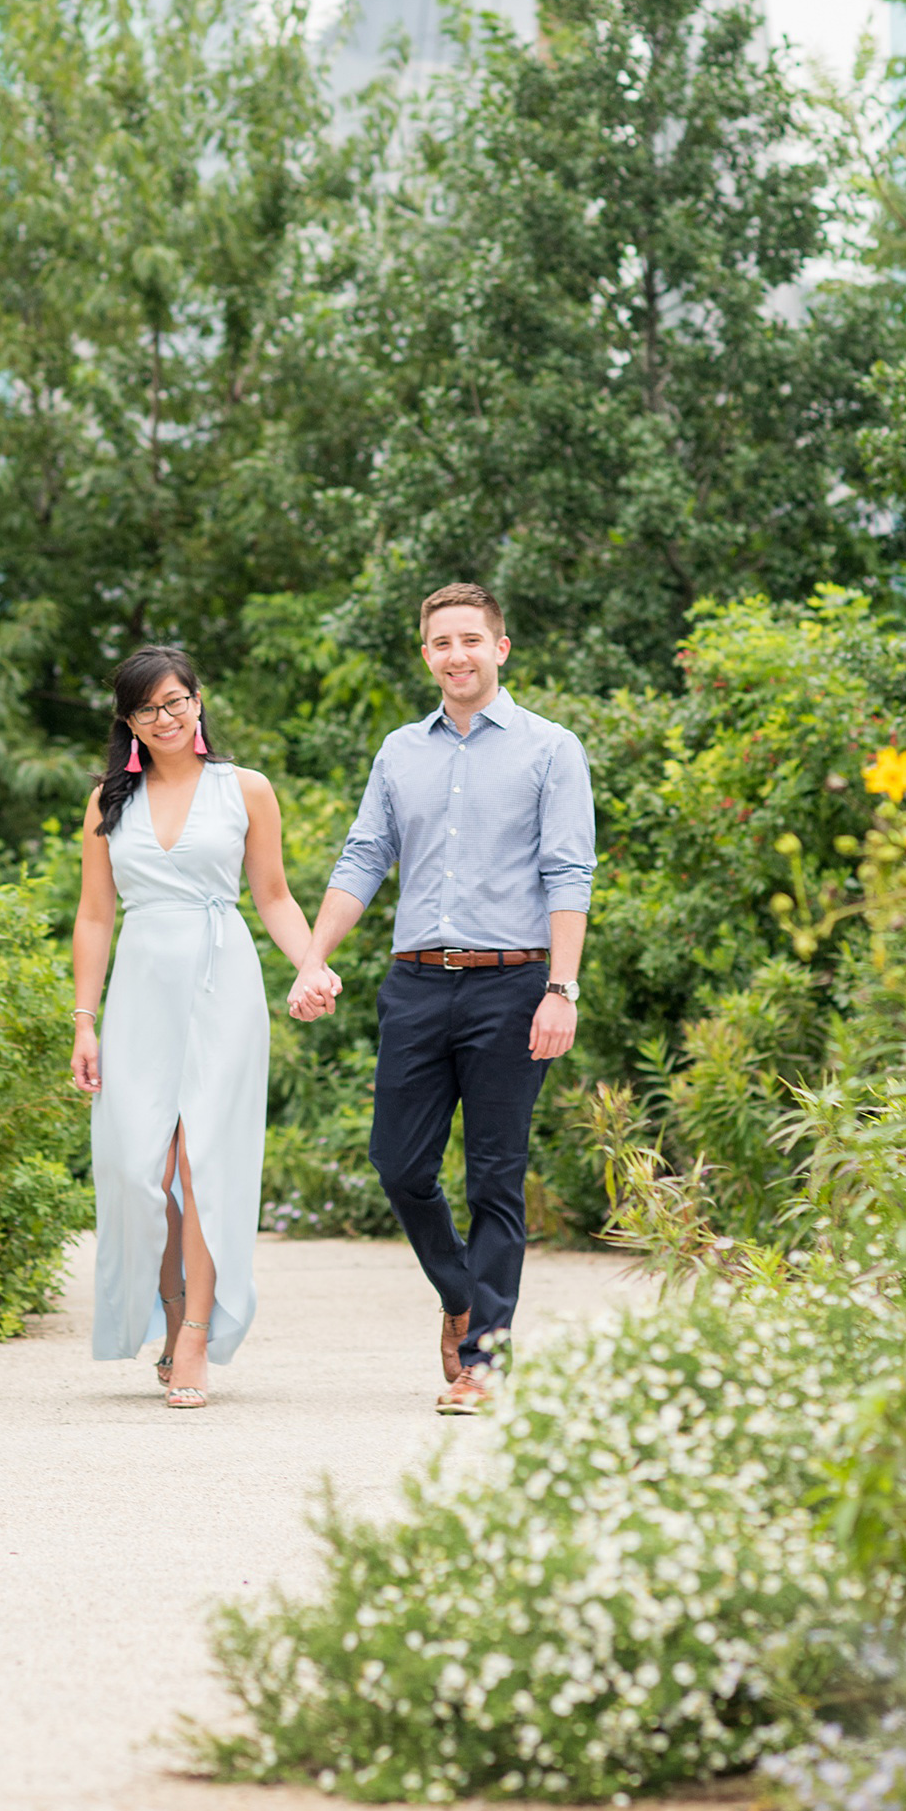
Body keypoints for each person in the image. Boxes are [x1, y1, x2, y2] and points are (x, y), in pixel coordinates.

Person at [287, 583, 595, 1414]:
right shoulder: (399, 753)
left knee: (497, 1176)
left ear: (501, 647)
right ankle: (461, 1298)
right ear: (426, 655)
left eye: (471, 639)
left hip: (514, 981)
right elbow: (360, 861)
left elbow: (569, 872)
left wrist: (561, 988)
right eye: (441, 643)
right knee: (399, 1164)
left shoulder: (551, 749)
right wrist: (313, 959)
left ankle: (483, 1363)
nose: (456, 655)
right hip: (417, 982)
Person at [70, 644, 332, 1410]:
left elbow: (275, 896)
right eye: (148, 708)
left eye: (178, 700)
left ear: (197, 701)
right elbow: (93, 917)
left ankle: (193, 1338)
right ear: (129, 723)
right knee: (135, 1168)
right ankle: (172, 1309)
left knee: (201, 1163)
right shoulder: (107, 803)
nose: (167, 717)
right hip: (142, 990)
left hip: (223, 982)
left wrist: (310, 964)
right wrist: (85, 1022)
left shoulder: (245, 790)